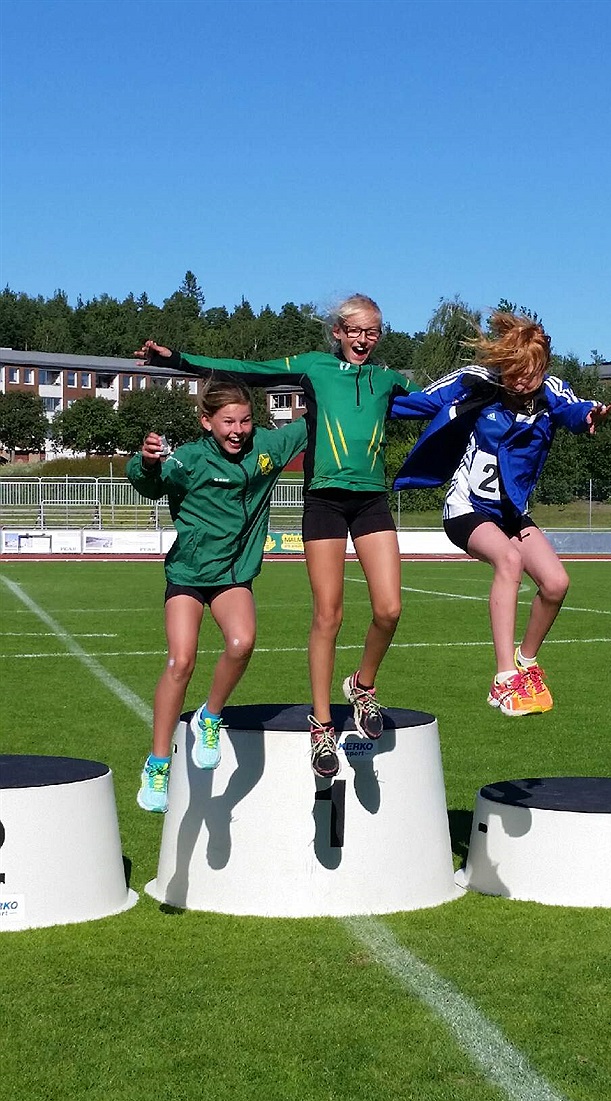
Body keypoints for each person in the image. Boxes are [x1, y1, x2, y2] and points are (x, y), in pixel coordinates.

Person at [136, 294, 420, 777]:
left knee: (390, 609)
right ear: (337, 331)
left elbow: (434, 404)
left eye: (372, 332)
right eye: (354, 330)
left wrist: (499, 391)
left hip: (372, 499)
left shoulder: (387, 380)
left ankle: (362, 685)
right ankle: (322, 726)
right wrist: (179, 360)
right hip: (325, 502)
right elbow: (247, 369)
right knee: (328, 614)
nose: (362, 339)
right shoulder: (313, 368)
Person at [391, 310, 611, 716]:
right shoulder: (477, 382)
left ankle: (526, 662)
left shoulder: (551, 392)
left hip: (511, 514)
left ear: (543, 367)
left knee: (556, 583)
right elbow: (422, 401)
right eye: (513, 373)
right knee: (509, 560)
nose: (520, 382)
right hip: (466, 509)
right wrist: (373, 400)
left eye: (529, 374)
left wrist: (589, 415)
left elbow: (574, 409)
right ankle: (503, 679)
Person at [127, 376, 307, 812]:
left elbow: (316, 420)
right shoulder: (188, 460)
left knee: (242, 643)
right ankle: (157, 764)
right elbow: (149, 483)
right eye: (228, 421)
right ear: (206, 421)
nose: (238, 430)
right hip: (189, 573)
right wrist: (145, 462)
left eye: (245, 420)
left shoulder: (268, 448)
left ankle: (209, 716)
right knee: (181, 661)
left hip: (233, 574)